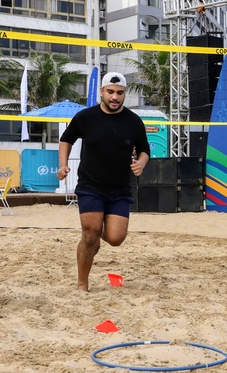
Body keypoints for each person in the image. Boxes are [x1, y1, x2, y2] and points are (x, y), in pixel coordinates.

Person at [57, 72, 150, 291]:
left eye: (119, 93)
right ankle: (82, 284)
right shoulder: (85, 117)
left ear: (124, 94)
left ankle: (94, 240)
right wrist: (63, 164)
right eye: (110, 92)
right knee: (90, 234)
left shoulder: (134, 121)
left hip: (119, 188)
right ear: (102, 92)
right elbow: (66, 140)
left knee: (116, 238)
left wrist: (142, 163)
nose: (115, 97)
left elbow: (145, 149)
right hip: (91, 185)